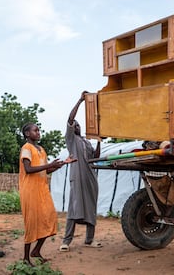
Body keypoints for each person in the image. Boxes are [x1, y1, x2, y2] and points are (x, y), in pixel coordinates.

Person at [19, 122, 76, 266]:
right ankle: (26, 258)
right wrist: (50, 165)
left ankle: (36, 251)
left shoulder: (41, 150)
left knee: (49, 219)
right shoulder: (26, 148)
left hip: (42, 189)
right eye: (35, 130)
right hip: (30, 190)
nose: (38, 132)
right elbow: (28, 169)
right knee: (32, 223)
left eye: (39, 130)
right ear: (27, 134)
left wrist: (63, 163)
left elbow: (46, 170)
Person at [59, 91, 102, 252]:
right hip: (77, 178)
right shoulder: (71, 140)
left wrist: (99, 142)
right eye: (74, 124)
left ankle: (89, 239)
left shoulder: (86, 142)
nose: (76, 125)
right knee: (74, 208)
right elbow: (70, 119)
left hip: (90, 179)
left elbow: (95, 157)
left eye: (78, 124)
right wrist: (80, 101)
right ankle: (66, 241)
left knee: (91, 208)